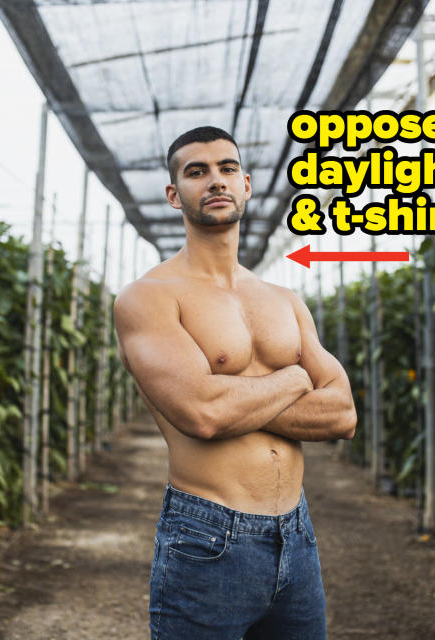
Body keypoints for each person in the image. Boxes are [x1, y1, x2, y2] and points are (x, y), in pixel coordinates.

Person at [113, 126, 357, 640]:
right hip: (207, 536)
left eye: (227, 169)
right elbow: (203, 414)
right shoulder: (149, 297)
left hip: (297, 532)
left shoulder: (285, 299)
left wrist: (231, 397)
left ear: (245, 184)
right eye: (196, 172)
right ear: (175, 194)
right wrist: (294, 376)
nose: (215, 181)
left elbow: (341, 414)